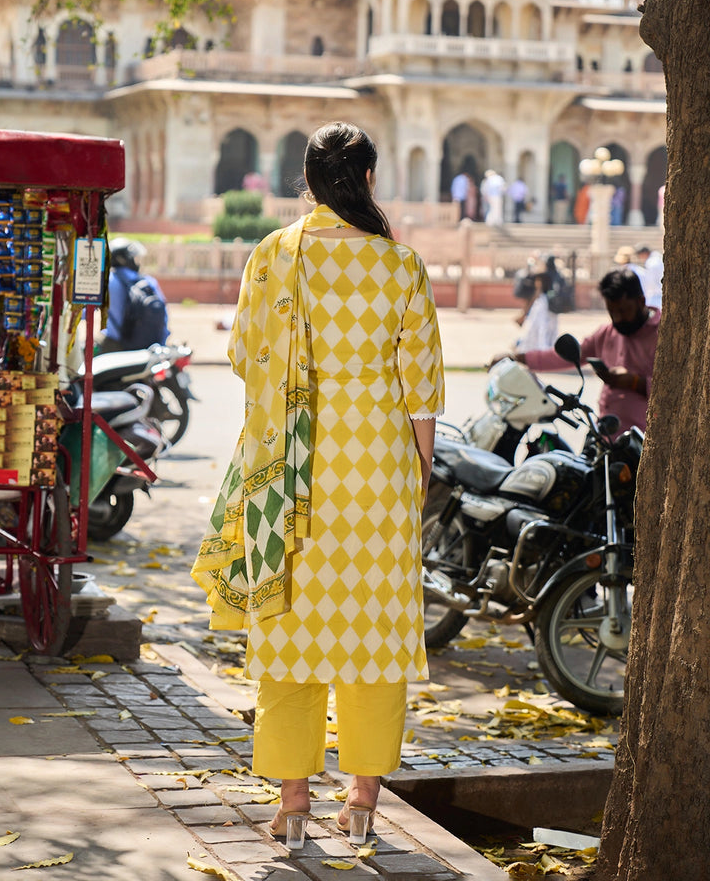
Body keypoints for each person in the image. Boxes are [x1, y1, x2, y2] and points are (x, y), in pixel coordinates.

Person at [192, 121, 445, 849]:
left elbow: (244, 356)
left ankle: (293, 805)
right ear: (366, 179)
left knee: (291, 633)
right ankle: (363, 801)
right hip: (377, 471)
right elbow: (421, 391)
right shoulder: (401, 267)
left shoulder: (273, 257)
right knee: (373, 635)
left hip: (289, 474)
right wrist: (418, 481)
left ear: (307, 180)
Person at [492, 268, 659, 434]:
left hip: (642, 440)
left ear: (641, 301)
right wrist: (518, 358)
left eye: (623, 311)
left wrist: (635, 382)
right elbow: (566, 357)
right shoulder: (607, 333)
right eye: (612, 312)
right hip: (603, 433)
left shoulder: (662, 336)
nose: (617, 319)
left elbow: (675, 391)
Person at [98, 238, 169, 353]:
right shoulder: (148, 281)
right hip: (148, 345)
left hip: (115, 345)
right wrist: (162, 342)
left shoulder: (107, 281)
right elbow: (164, 314)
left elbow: (87, 311)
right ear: (125, 259)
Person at [514, 270, 558, 352]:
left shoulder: (543, 303)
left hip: (540, 348)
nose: (535, 283)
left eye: (537, 281)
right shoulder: (543, 300)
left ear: (541, 283)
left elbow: (539, 328)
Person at [633, 243, 663, 308]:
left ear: (643, 253)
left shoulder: (651, 262)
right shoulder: (658, 257)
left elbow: (650, 283)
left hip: (656, 295)